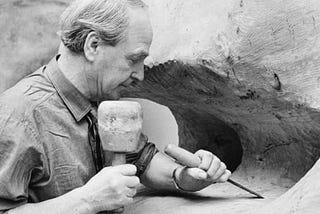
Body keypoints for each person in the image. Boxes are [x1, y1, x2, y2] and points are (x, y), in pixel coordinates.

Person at [0, 0, 231, 213]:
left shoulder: (101, 97)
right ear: (93, 45)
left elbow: (141, 159)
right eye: (133, 59)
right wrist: (88, 200)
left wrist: (184, 176)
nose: (140, 75)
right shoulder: (17, 114)